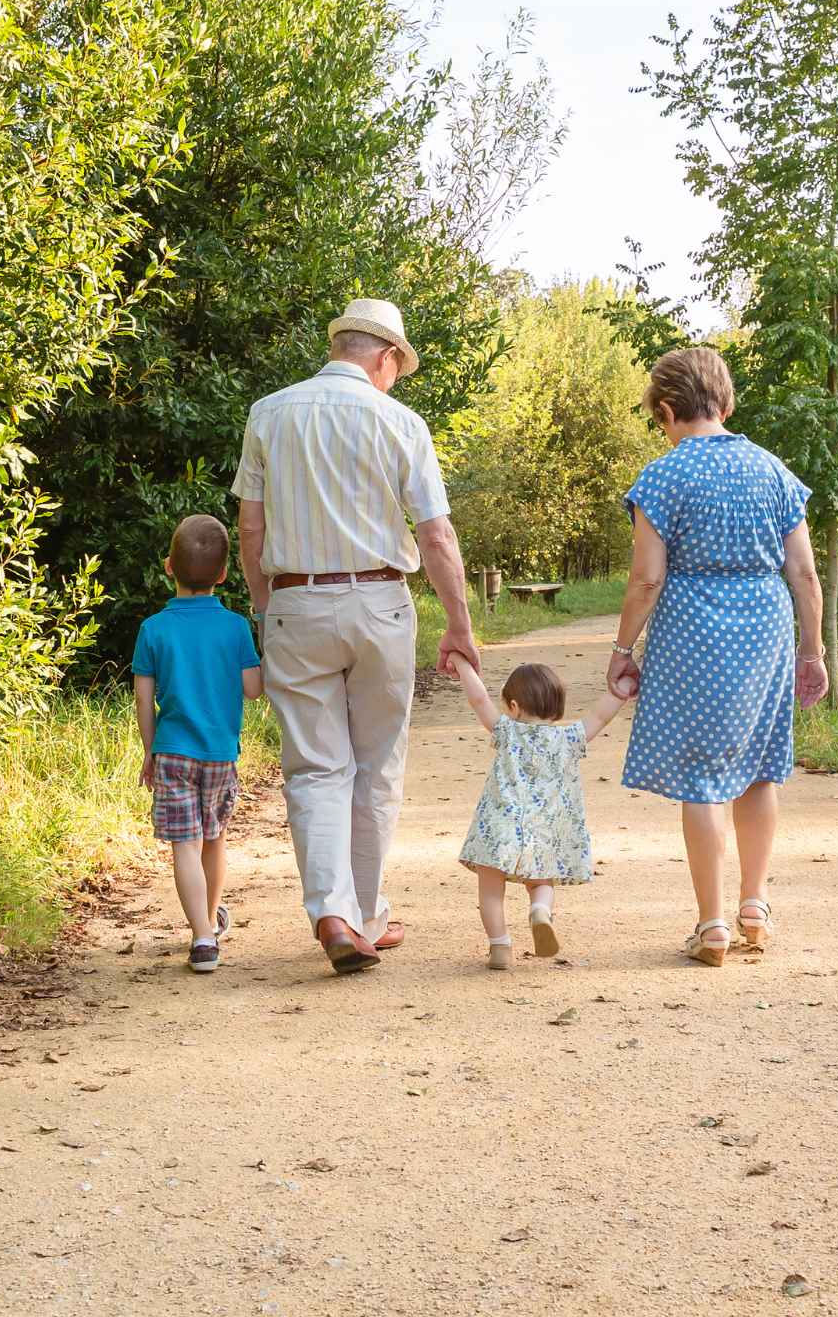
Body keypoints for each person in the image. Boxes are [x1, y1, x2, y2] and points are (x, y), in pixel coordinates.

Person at [232, 299, 480, 976]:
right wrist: (459, 624)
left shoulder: (269, 413)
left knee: (315, 766)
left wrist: (267, 607)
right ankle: (366, 915)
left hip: (294, 602)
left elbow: (249, 528)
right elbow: (435, 534)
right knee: (377, 765)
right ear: (386, 357)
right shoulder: (399, 422)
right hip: (379, 603)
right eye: (399, 366)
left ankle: (332, 912)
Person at [606, 346, 828, 968]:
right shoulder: (774, 472)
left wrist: (623, 649)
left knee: (702, 777)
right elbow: (805, 576)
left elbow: (646, 580)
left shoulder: (664, 476)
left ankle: (712, 925)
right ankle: (754, 905)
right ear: (726, 403)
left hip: (693, 630)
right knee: (759, 767)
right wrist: (811, 652)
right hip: (764, 627)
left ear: (668, 411)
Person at [133, 514, 263, 974]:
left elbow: (144, 699)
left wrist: (150, 749)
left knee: (183, 845)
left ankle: (203, 936)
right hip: (220, 755)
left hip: (172, 752)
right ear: (224, 574)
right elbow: (252, 688)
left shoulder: (154, 629)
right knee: (214, 839)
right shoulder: (234, 628)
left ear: (169, 566)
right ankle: (208, 920)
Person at [450, 652, 629, 970]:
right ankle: (540, 912)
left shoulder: (507, 731)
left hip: (500, 824)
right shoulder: (570, 737)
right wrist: (624, 686)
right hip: (546, 830)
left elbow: (478, 700)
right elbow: (601, 715)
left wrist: (462, 664)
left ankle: (500, 946)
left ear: (514, 707)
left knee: (491, 887)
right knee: (541, 883)